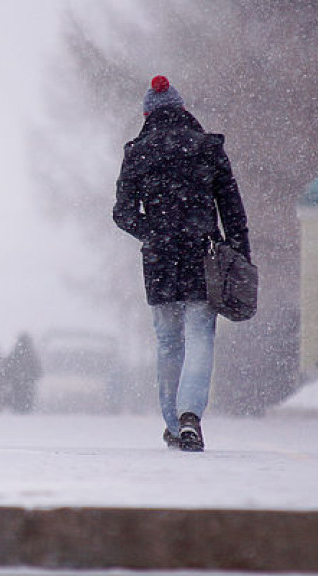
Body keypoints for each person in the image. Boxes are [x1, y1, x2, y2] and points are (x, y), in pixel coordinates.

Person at [113, 75, 251, 452]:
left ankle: (173, 425)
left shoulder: (138, 152)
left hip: (159, 261)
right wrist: (240, 255)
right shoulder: (207, 148)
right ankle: (190, 416)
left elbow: (122, 213)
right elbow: (233, 210)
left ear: (147, 114)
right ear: (183, 110)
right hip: (201, 254)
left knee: (168, 342)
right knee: (200, 336)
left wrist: (154, 233)